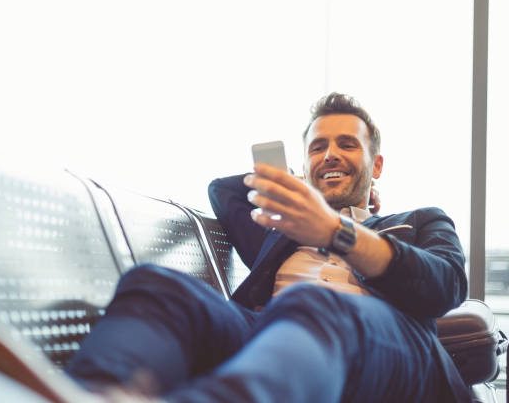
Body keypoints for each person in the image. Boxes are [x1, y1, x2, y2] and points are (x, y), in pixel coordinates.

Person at [66, 92, 470, 402]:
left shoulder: (418, 221)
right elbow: (224, 191)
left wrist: (337, 230)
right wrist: (297, 188)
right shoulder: (280, 231)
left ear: (376, 165)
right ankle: (90, 391)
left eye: (347, 145)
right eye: (318, 147)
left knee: (315, 302)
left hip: (390, 350)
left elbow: (446, 283)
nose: (330, 154)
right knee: (156, 285)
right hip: (276, 335)